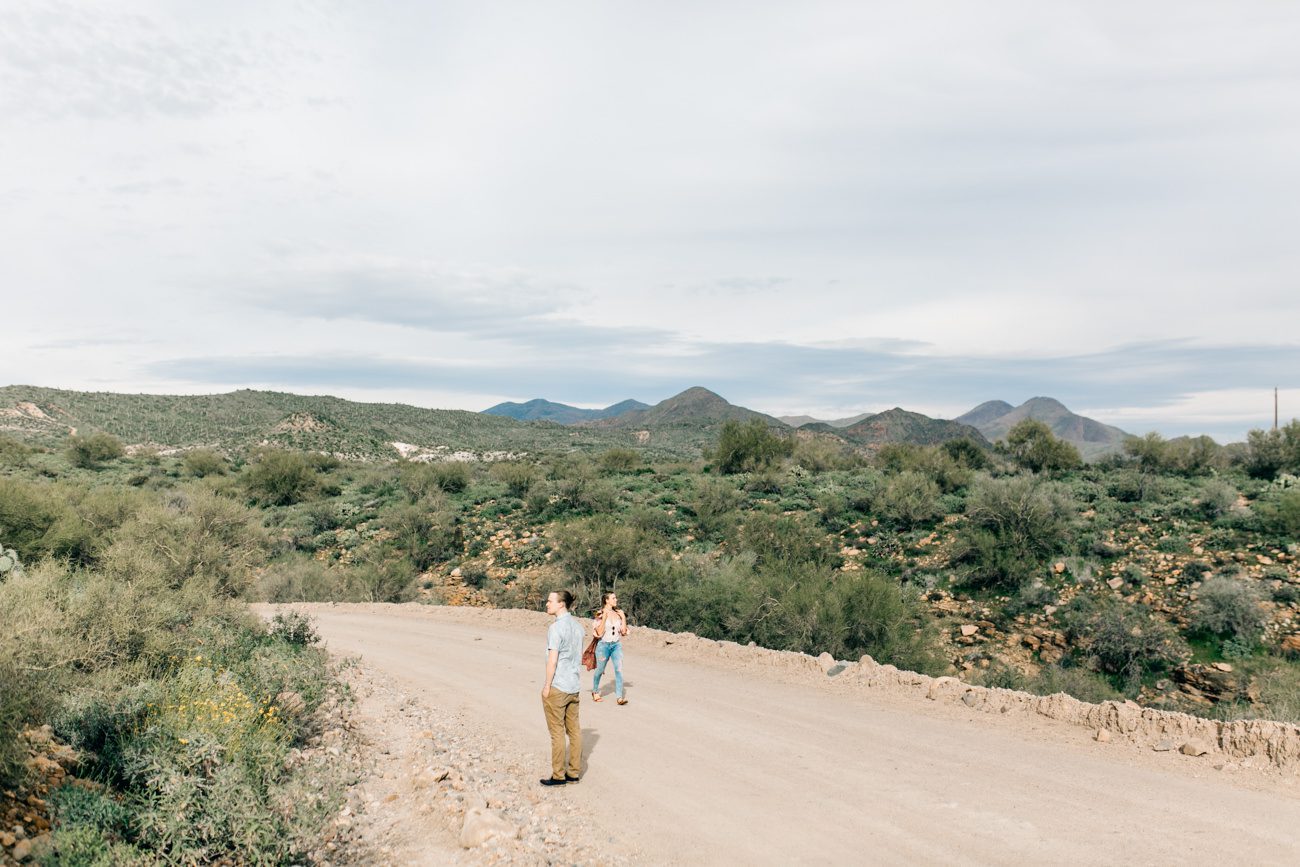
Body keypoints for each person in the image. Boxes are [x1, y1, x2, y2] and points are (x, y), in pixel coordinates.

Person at [540, 589, 584, 786]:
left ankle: (558, 775)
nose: (547, 604)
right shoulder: (578, 627)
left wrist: (547, 686)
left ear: (561, 604)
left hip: (558, 685)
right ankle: (573, 773)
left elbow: (553, 661)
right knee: (574, 730)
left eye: (550, 601)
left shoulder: (556, 629)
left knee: (557, 732)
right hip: (574, 685)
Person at [591, 591, 629, 705]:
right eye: (613, 598)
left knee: (619, 670)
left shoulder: (618, 613)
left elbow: (623, 631)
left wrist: (623, 617)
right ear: (606, 600)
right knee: (600, 670)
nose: (616, 600)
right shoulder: (599, 613)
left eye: (615, 598)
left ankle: (619, 697)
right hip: (603, 645)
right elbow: (599, 632)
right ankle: (595, 691)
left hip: (616, 645)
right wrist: (604, 618)